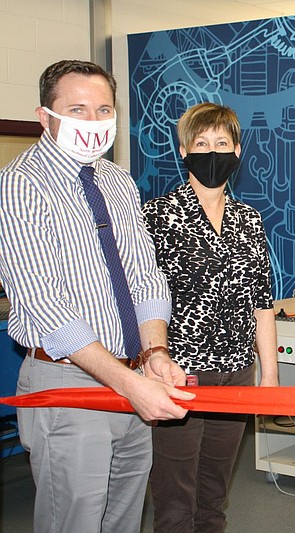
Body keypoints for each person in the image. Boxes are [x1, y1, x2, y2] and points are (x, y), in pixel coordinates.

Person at [0, 60, 194, 533]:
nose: (92, 121)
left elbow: (145, 277)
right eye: (77, 109)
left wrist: (154, 351)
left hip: (130, 376)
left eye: (103, 109)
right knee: (75, 520)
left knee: (123, 518)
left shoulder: (117, 181)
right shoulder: (21, 184)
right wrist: (130, 385)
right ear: (45, 117)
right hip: (69, 382)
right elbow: (46, 307)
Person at [142, 102, 279, 533]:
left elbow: (262, 302)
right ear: (184, 149)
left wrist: (270, 377)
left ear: (237, 150)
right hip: (179, 374)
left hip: (237, 373)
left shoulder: (248, 220)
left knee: (215, 496)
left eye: (222, 142)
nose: (212, 151)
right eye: (201, 142)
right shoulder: (157, 216)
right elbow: (143, 298)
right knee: (175, 499)